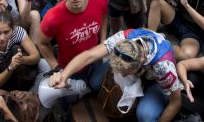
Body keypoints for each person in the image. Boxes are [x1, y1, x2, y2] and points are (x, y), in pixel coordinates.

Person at [49, 27, 183, 122]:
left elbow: (175, 103)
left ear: (140, 63)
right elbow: (90, 55)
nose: (120, 75)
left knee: (145, 116)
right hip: (135, 66)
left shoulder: (164, 67)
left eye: (124, 73)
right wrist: (63, 75)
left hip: (155, 80)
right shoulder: (123, 38)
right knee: (95, 82)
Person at [36, 0, 108, 86]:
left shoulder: (100, 1)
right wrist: (56, 68)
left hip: (95, 60)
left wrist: (103, 40)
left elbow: (104, 15)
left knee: (96, 86)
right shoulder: (53, 17)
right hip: (70, 69)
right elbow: (41, 43)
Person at [0, 11, 40, 91]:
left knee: (44, 65)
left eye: (6, 32)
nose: (2, 38)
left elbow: (36, 56)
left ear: (12, 29)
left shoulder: (18, 32)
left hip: (15, 68)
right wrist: (11, 66)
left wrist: (22, 59)